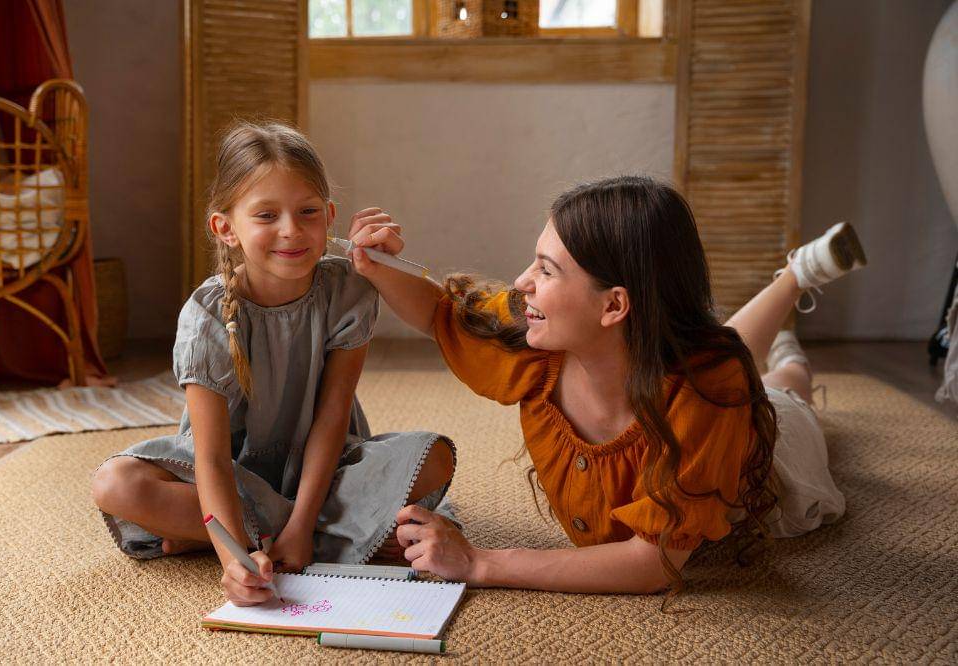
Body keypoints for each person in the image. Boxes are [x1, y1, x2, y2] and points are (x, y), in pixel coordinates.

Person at [348, 175, 866, 595]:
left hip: (777, 456)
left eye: (546, 271)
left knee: (781, 390)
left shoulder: (711, 392)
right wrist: (378, 265)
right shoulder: (537, 341)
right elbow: (441, 312)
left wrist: (480, 563)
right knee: (722, 350)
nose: (522, 281)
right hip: (675, 362)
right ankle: (798, 275)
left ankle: (795, 303)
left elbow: (652, 564)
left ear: (613, 305)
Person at [91, 121, 456, 606]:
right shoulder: (206, 318)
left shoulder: (349, 291)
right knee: (116, 484)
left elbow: (331, 419)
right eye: (266, 215)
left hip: (324, 469)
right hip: (231, 476)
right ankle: (340, 535)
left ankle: (241, 534)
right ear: (226, 228)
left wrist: (302, 525)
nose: (291, 230)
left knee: (435, 456)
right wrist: (232, 564)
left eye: (307, 212)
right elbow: (213, 461)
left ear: (329, 216)